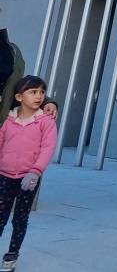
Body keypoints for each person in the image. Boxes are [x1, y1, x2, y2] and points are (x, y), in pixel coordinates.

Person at [0, 76, 56, 271]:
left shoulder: (45, 122)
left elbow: (47, 148)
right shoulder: (8, 120)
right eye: (33, 92)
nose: (39, 96)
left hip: (28, 177)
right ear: (19, 97)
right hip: (4, 176)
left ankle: (12, 255)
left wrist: (36, 171)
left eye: (41, 92)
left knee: (20, 218)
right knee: (0, 216)